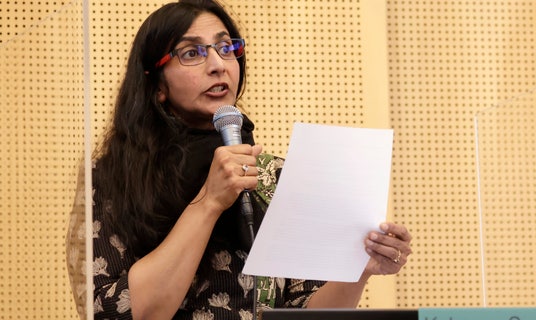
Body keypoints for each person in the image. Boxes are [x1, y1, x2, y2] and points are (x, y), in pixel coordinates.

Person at [66, 0, 412, 319]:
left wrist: (359, 268)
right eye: (192, 53)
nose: (218, 65)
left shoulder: (274, 174)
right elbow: (112, 311)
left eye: (226, 47)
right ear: (157, 85)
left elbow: (302, 309)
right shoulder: (113, 176)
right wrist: (209, 202)